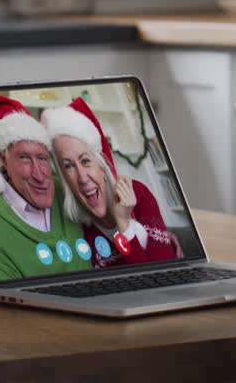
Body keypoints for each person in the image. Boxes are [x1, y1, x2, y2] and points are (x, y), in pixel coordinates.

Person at [41, 96, 182, 267]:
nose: (83, 177)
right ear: (65, 179)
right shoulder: (78, 228)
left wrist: (123, 222)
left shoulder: (138, 194)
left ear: (101, 166)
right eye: (69, 166)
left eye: (85, 161)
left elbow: (162, 275)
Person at [0, 95, 93, 282]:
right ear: (4, 160)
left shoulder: (65, 190)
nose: (39, 175)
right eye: (24, 158)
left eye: (42, 158)